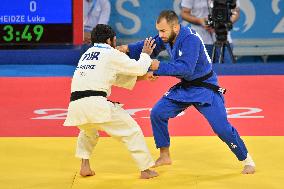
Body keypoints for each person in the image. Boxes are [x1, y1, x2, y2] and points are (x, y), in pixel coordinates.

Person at [117, 10, 255, 174]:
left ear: (175, 27)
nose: (160, 35)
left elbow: (186, 69)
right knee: (157, 113)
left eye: (163, 31)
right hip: (186, 87)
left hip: (204, 87)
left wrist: (157, 67)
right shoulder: (167, 37)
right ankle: (165, 154)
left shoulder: (191, 40)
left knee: (221, 128)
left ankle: (247, 160)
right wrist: (126, 49)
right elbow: (148, 45)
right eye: (159, 31)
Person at [63, 24, 160, 179]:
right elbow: (139, 68)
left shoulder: (87, 54)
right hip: (96, 104)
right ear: (109, 40)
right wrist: (146, 54)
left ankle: (84, 166)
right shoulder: (110, 53)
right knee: (132, 131)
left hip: (76, 106)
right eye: (114, 40)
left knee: (88, 131)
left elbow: (115, 78)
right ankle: (145, 170)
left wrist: (144, 77)